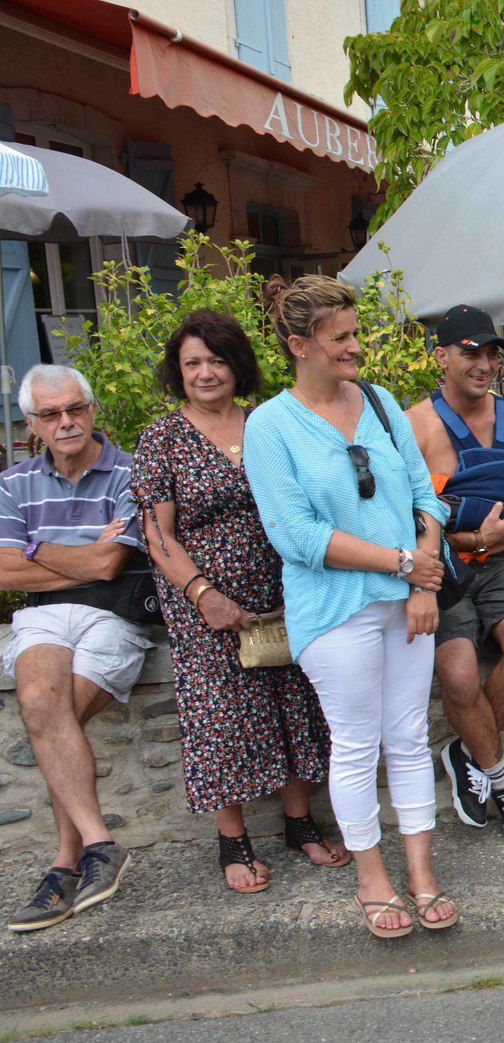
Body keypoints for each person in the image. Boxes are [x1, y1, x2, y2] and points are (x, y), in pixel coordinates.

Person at [244, 275, 454, 939]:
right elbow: (296, 536)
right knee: (358, 743)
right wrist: (401, 565)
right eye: (341, 337)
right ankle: (372, 877)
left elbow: (426, 496)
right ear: (299, 344)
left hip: (408, 602)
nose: (356, 346)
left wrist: (423, 584)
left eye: (355, 333)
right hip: (334, 610)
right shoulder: (269, 426)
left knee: (410, 736)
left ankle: (421, 872)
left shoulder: (382, 402)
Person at [133, 310, 349, 895]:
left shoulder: (268, 423)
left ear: (238, 365)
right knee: (221, 720)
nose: (206, 372)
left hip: (287, 593)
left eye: (217, 360)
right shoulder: (162, 439)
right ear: (178, 372)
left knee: (298, 707)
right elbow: (158, 534)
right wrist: (204, 595)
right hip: (203, 605)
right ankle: (233, 841)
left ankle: (299, 824)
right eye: (192, 363)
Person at [1, 365, 158, 932]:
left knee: (54, 725)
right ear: (32, 424)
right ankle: (99, 845)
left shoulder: (132, 472)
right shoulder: (13, 483)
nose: (65, 421)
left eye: (74, 408)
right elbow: (3, 571)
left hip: (115, 614)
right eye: (50, 414)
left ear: (92, 410)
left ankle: (63, 866)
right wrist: (79, 556)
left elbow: (109, 564)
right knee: (41, 704)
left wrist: (34, 549)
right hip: (44, 616)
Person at [405, 305, 504, 849]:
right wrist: (477, 538)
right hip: (441, 570)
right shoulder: (415, 426)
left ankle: (467, 752)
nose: (484, 364)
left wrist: (497, 534)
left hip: (502, 564)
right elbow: (407, 522)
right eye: (471, 352)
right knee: (460, 677)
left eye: (491, 353)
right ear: (440, 356)